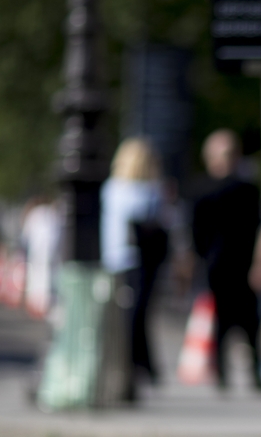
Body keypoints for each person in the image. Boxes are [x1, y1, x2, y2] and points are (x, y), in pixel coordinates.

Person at [192, 129, 261, 392]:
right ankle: (221, 373)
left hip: (245, 265)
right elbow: (195, 232)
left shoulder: (247, 190)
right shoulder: (201, 189)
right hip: (217, 266)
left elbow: (259, 228)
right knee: (221, 323)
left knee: (250, 323)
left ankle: (257, 373)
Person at [101, 137, 169, 400]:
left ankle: (138, 366)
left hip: (116, 258)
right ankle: (138, 366)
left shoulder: (111, 188)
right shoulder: (148, 190)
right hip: (137, 259)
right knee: (137, 315)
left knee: (129, 315)